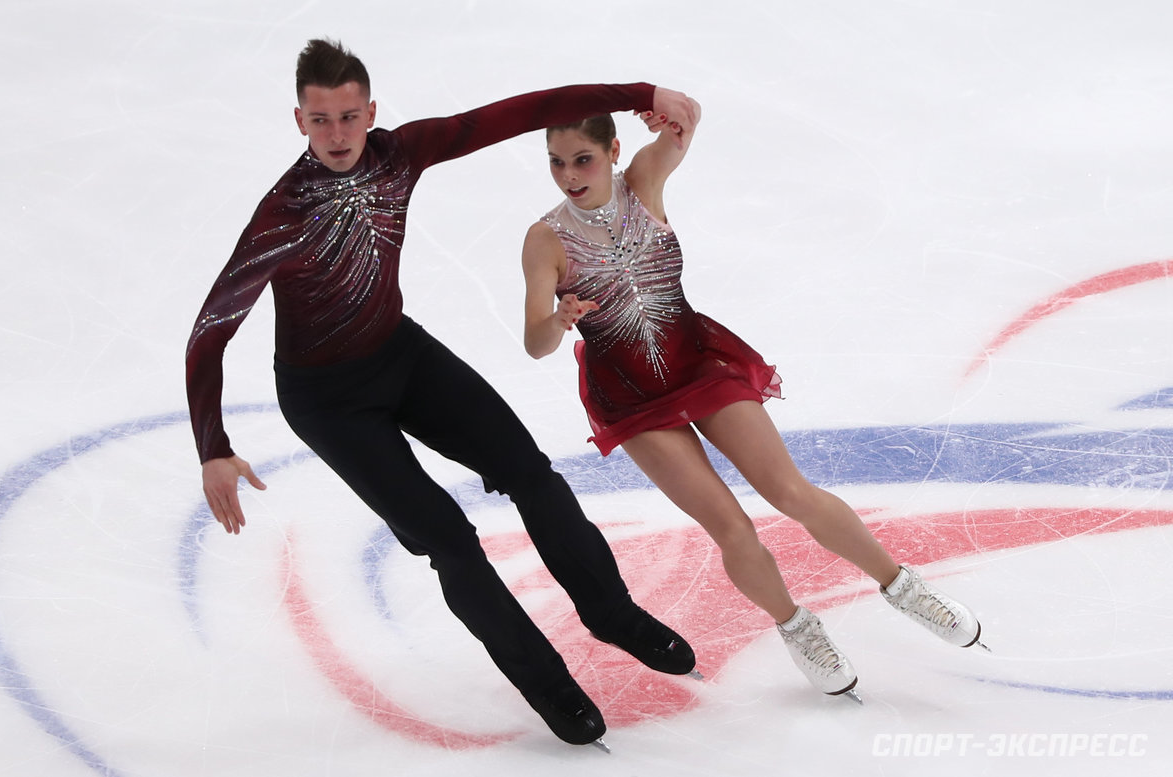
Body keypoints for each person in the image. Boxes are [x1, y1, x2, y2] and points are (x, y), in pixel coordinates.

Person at [186, 38, 704, 747]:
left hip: (400, 354)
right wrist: (213, 446)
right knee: (451, 540)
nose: (337, 135)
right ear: (299, 122)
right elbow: (211, 328)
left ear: (370, 111)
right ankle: (548, 682)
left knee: (531, 472)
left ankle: (612, 611)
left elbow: (519, 113)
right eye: (320, 120)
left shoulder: (400, 153)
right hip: (327, 402)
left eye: (347, 116)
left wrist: (637, 91)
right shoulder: (283, 214)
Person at [519, 108, 990, 703]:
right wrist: (557, 322)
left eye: (582, 158)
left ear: (613, 151)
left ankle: (904, 588)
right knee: (731, 528)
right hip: (631, 396)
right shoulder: (545, 240)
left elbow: (686, 121)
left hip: (695, 363)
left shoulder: (643, 182)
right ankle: (798, 627)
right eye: (556, 162)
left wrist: (655, 103)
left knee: (791, 492)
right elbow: (535, 343)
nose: (568, 174)